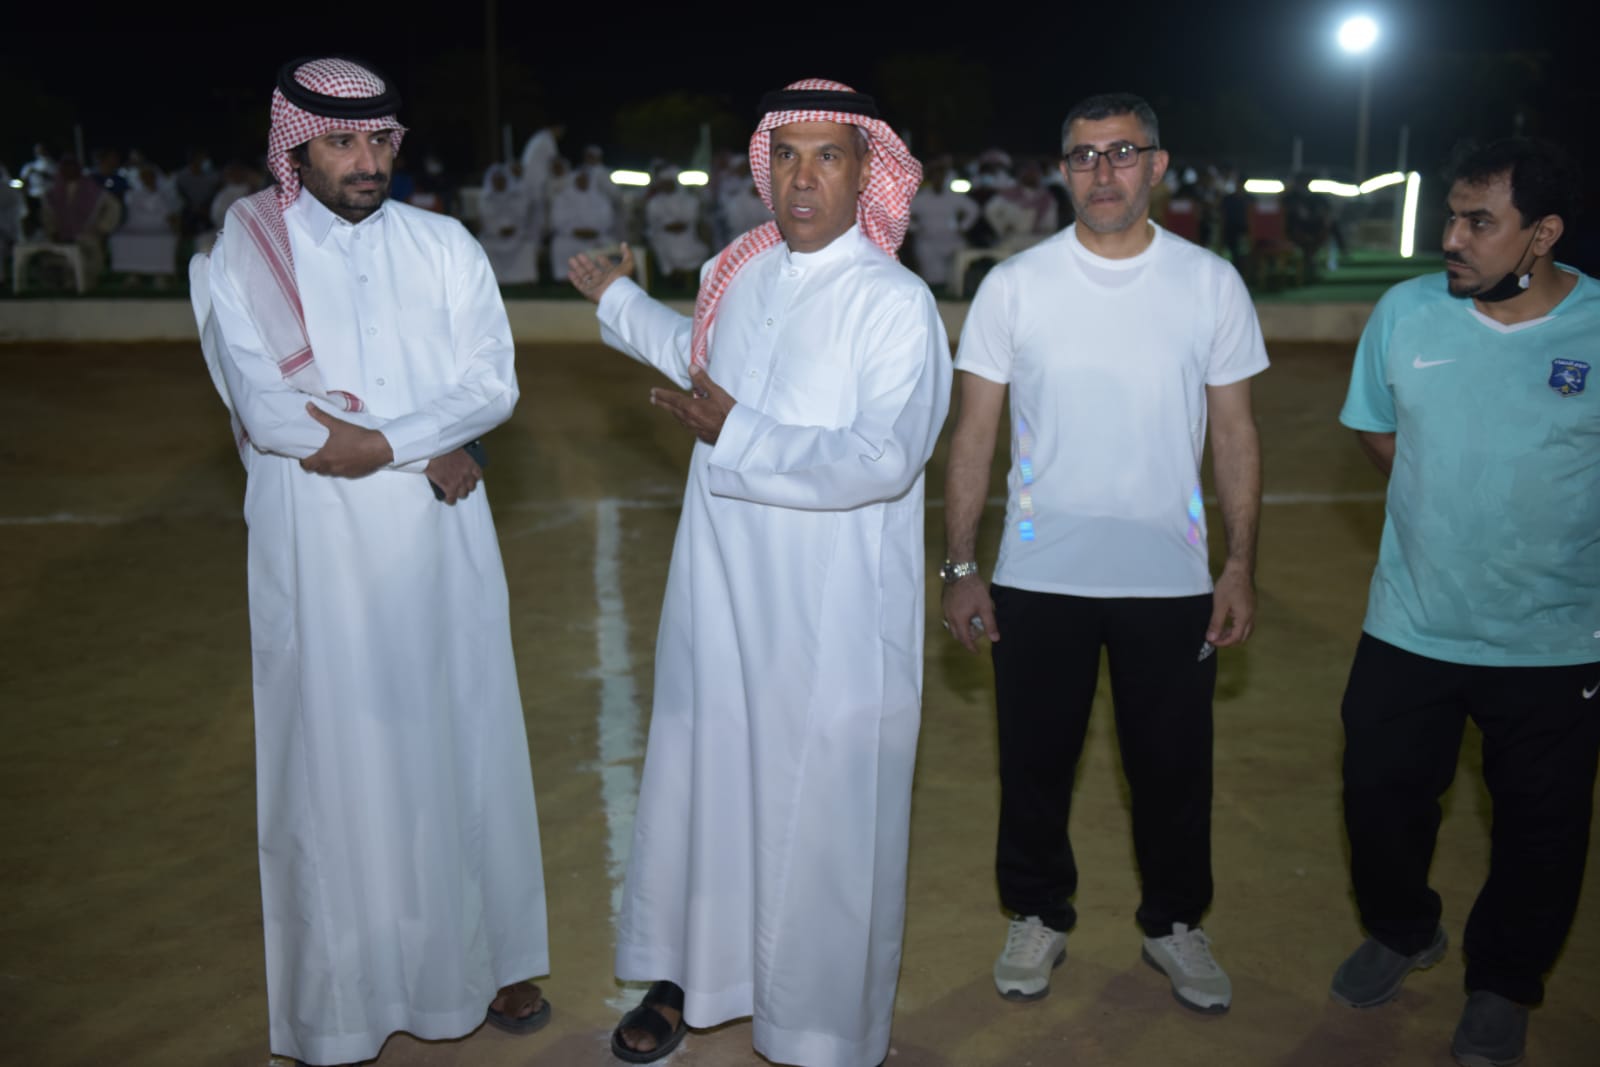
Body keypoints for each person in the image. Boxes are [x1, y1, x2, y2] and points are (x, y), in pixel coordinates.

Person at [567, 77, 951, 1067]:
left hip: (830, 624)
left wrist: (736, 430)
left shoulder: (895, 305)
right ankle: (687, 980)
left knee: (819, 823)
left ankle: (819, 1031)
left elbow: (882, 459)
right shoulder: (738, 276)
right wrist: (616, 299)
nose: (803, 177)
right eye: (786, 155)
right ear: (763, 167)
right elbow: (697, 361)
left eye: (828, 156)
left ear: (866, 171)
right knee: (703, 789)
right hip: (717, 598)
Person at [188, 56, 550, 1066]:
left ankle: (487, 957)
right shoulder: (242, 255)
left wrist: (394, 442)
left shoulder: (444, 245)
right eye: (341, 142)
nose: (367, 160)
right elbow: (271, 412)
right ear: (295, 148)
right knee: (335, 762)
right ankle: (342, 1004)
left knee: (465, 737)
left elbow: (492, 385)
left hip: (442, 539)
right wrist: (427, 443)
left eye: (380, 138)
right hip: (319, 543)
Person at [941, 91, 1266, 1015]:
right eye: (1084, 156)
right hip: (1039, 577)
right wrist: (960, 565)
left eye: (1123, 152)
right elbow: (973, 436)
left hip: (1172, 579)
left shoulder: (1210, 283)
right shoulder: (1015, 285)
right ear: (1063, 170)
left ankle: (1175, 922)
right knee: (1034, 766)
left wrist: (1238, 563)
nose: (1103, 171)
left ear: (1157, 164)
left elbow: (1235, 434)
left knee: (1174, 771)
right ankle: (1037, 912)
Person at [1329, 137, 1598, 1067]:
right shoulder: (1406, 312)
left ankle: (1504, 982)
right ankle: (1402, 928)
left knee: (1541, 827)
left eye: (1480, 222)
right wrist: (1444, 506)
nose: (1451, 237)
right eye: (1451, 216)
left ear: (1543, 234)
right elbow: (1378, 430)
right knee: (1377, 794)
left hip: (1555, 639)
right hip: (1411, 622)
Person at [907, 156, 978, 290]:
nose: (938, 180)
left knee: (956, 274)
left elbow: (973, 210)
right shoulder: (921, 198)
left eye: (941, 176)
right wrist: (914, 228)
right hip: (928, 241)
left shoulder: (954, 196)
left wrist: (963, 226)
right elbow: (904, 213)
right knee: (933, 277)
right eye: (935, 177)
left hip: (952, 239)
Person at [108, 165, 178, 284]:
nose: (147, 179)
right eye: (144, 177)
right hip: (137, 225)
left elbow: (169, 214)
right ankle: (133, 273)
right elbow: (134, 213)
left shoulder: (164, 193)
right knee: (121, 239)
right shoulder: (133, 194)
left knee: (165, 240)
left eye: (150, 176)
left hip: (160, 227)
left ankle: (160, 273)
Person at [547, 166, 616, 283]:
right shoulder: (563, 198)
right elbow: (557, 221)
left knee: (609, 244)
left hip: (595, 236)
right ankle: (565, 278)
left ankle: (602, 277)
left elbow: (608, 220)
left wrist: (594, 231)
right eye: (580, 179)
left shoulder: (600, 198)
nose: (583, 182)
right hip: (570, 236)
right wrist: (574, 231)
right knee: (559, 244)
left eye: (585, 180)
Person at [644, 164, 709, 282]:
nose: (666, 186)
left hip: (686, 235)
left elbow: (691, 219)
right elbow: (652, 223)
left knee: (688, 250)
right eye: (664, 183)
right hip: (663, 235)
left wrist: (678, 226)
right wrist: (667, 227)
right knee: (662, 246)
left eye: (669, 183)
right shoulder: (654, 202)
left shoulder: (689, 200)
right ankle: (671, 277)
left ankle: (682, 277)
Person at [477, 162, 540, 284]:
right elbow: (485, 220)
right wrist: (497, 230)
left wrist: (513, 229)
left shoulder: (517, 196)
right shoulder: (486, 199)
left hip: (516, 234)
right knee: (484, 245)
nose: (499, 183)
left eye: (501, 180)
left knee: (527, 245)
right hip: (494, 236)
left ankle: (525, 278)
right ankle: (493, 280)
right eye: (496, 181)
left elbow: (522, 217)